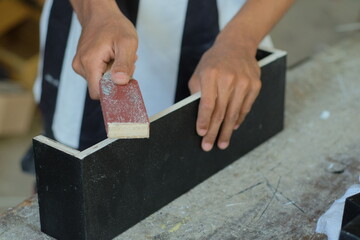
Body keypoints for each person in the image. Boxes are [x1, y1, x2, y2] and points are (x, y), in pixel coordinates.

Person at [22, 0, 293, 174]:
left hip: (227, 32)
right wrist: (96, 12)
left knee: (201, 171)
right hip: (91, 27)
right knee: (69, 177)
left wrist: (240, 41)